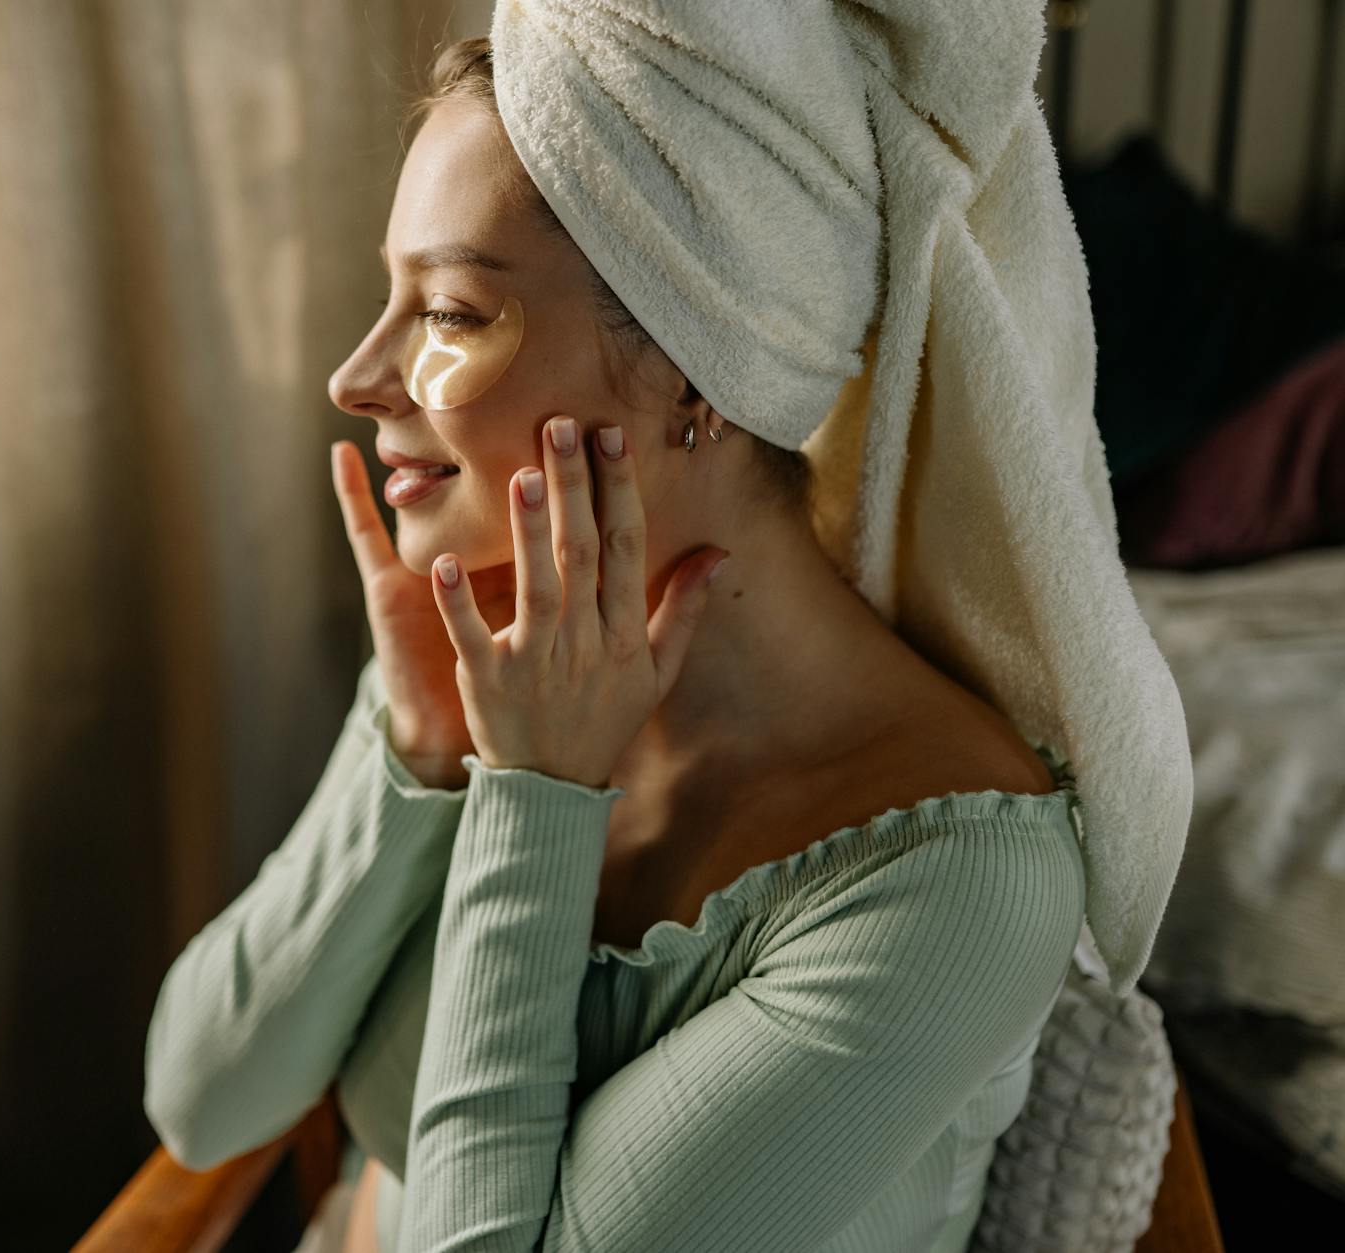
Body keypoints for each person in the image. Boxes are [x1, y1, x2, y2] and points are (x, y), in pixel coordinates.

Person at [146, 34, 1087, 1253]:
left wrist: (533, 799)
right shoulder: (497, 648)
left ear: (699, 370)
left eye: (447, 310)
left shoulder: (963, 884)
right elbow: (203, 1101)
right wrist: (417, 755)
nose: (356, 374)